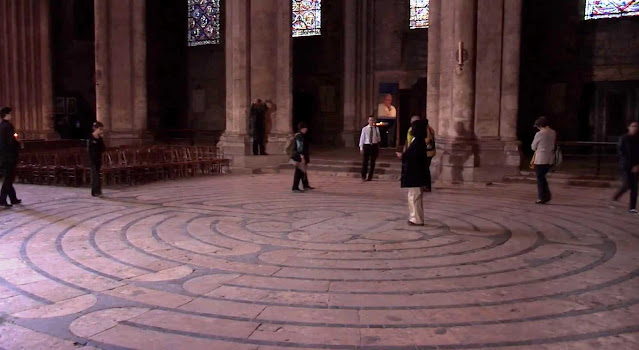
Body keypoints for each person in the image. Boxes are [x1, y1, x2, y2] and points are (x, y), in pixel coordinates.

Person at [398, 119, 429, 226]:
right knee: (413, 196)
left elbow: (415, 157)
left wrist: (403, 156)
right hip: (414, 173)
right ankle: (414, 216)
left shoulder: (419, 141)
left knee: (415, 197)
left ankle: (417, 219)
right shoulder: (418, 140)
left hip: (416, 174)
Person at [612, 121, 639, 214]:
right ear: (629, 127)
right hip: (625, 165)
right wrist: (629, 164)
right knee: (627, 185)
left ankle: (632, 207)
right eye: (633, 126)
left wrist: (636, 165)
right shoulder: (623, 138)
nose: (634, 128)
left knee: (635, 187)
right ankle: (616, 197)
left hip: (636, 166)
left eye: (636, 126)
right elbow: (621, 152)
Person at [531, 116, 557, 204]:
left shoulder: (539, 134)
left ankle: (542, 197)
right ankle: (546, 195)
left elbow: (533, 147)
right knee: (542, 177)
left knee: (540, 178)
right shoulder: (553, 132)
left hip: (540, 158)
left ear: (540, 125)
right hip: (549, 158)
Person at [0, 107, 21, 208]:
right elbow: (10, 142)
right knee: (8, 178)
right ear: (6, 115)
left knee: (9, 178)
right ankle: (2, 200)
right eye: (10, 114)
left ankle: (13, 198)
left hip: (2, 156)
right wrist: (18, 144)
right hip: (9, 156)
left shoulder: (1, 126)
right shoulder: (8, 126)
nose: (11, 116)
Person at [291, 122, 314, 192]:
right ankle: (295, 187)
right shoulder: (299, 136)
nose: (306, 129)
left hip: (301, 155)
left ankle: (305, 185)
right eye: (305, 128)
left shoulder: (302, 135)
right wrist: (302, 157)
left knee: (303, 171)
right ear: (302, 128)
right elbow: (299, 147)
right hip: (299, 156)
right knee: (299, 172)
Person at [359, 115, 381, 182]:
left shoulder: (376, 128)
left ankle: (370, 177)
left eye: (372, 120)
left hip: (374, 145)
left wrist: (377, 138)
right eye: (370, 120)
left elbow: (379, 138)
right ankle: (363, 176)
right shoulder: (365, 129)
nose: (371, 121)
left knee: (373, 162)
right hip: (367, 145)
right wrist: (361, 147)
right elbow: (362, 138)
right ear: (368, 121)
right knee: (365, 162)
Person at [88, 121, 106, 197]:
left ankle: (95, 191)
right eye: (100, 129)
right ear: (96, 129)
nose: (101, 131)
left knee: (97, 175)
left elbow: (103, 149)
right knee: (95, 175)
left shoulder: (100, 138)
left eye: (102, 129)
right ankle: (97, 191)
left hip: (98, 159)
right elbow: (89, 150)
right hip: (92, 159)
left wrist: (100, 140)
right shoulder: (90, 138)